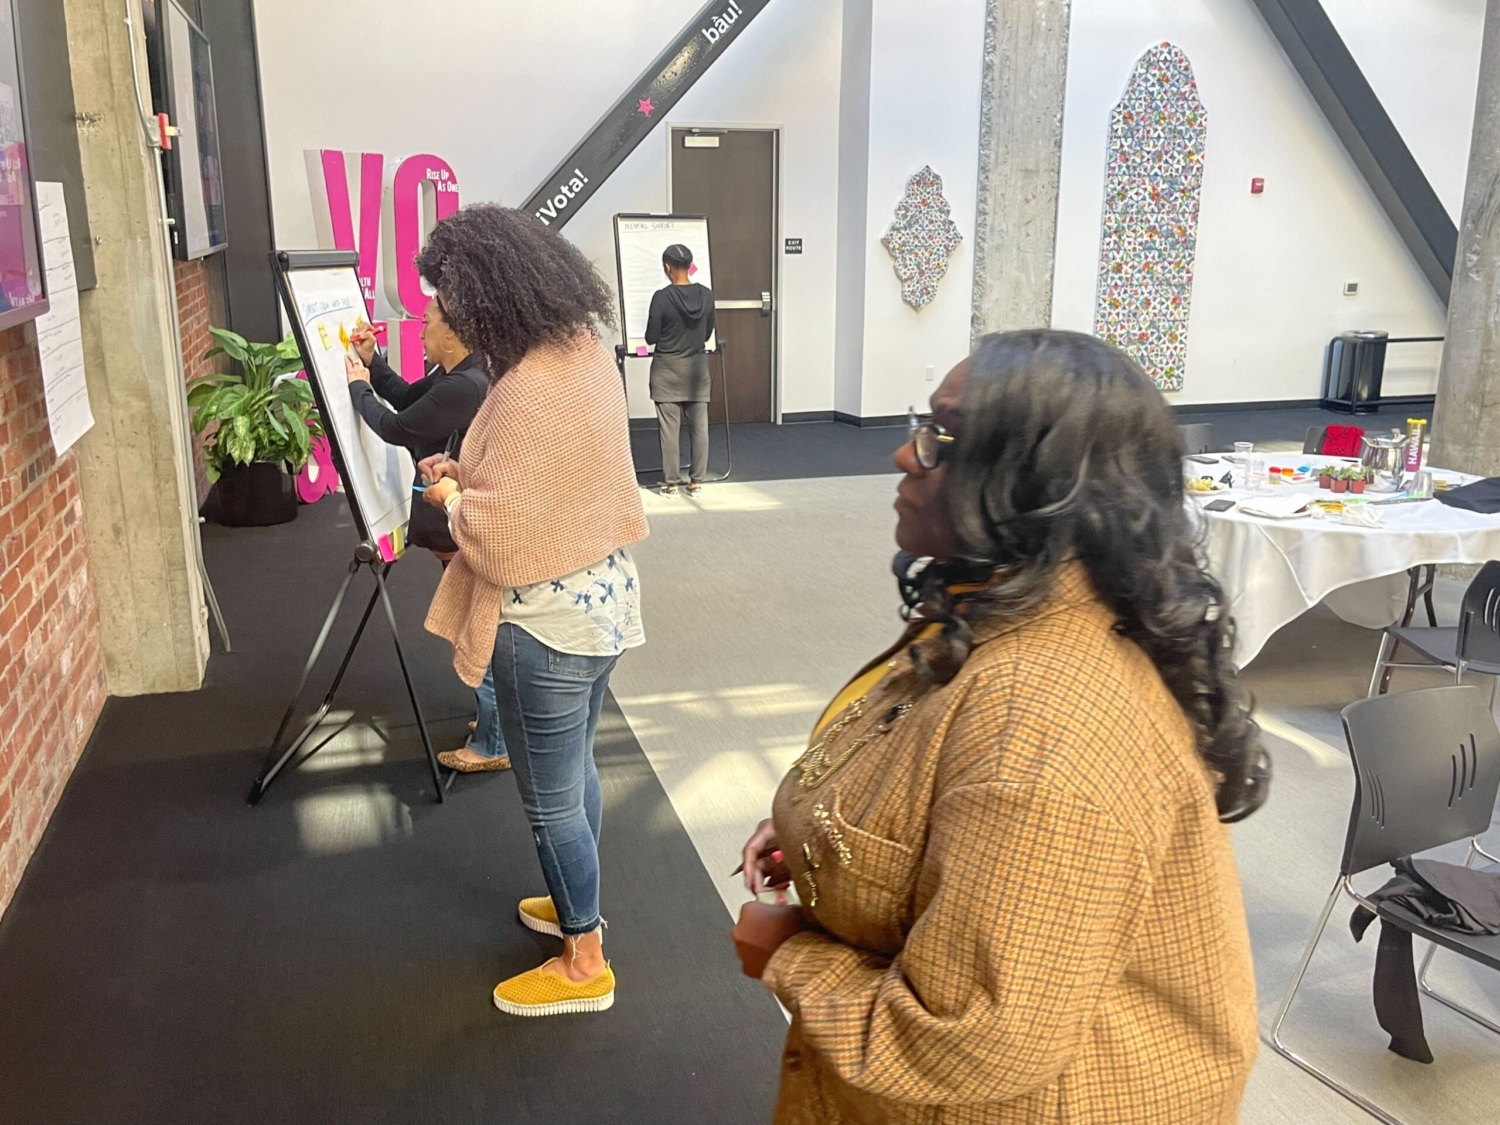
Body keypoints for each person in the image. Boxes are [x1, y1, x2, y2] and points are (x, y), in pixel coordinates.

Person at [732, 329, 1271, 1123]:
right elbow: (927, 787)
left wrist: (788, 957)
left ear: (1035, 481)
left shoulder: (1043, 721)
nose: (904, 458)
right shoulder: (1014, 606)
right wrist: (815, 830)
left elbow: (973, 1039)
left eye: (940, 438)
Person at [415, 204, 648, 1018]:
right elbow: (545, 483)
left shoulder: (526, 391)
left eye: (445, 299)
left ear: (483, 292)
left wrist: (449, 495)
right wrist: (472, 473)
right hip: (604, 604)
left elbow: (503, 536)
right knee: (574, 768)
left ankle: (584, 957)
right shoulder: (581, 351)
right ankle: (574, 904)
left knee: (549, 800)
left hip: (541, 622)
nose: (440, 315)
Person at [344, 301, 506, 773]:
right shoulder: (459, 373)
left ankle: (494, 742)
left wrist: (357, 388)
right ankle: (495, 723)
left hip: (462, 518)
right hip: (458, 513)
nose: (419, 330)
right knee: (477, 628)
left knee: (478, 633)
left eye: (426, 322)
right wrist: (374, 365)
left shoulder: (465, 384)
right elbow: (412, 399)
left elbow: (398, 425)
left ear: (454, 333)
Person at [644, 244, 715, 496]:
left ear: (667, 267)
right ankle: (696, 483)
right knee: (700, 429)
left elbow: (651, 338)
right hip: (697, 372)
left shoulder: (661, 298)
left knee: (669, 432)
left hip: (666, 373)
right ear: (690, 265)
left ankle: (672, 484)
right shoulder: (707, 295)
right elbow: (707, 333)